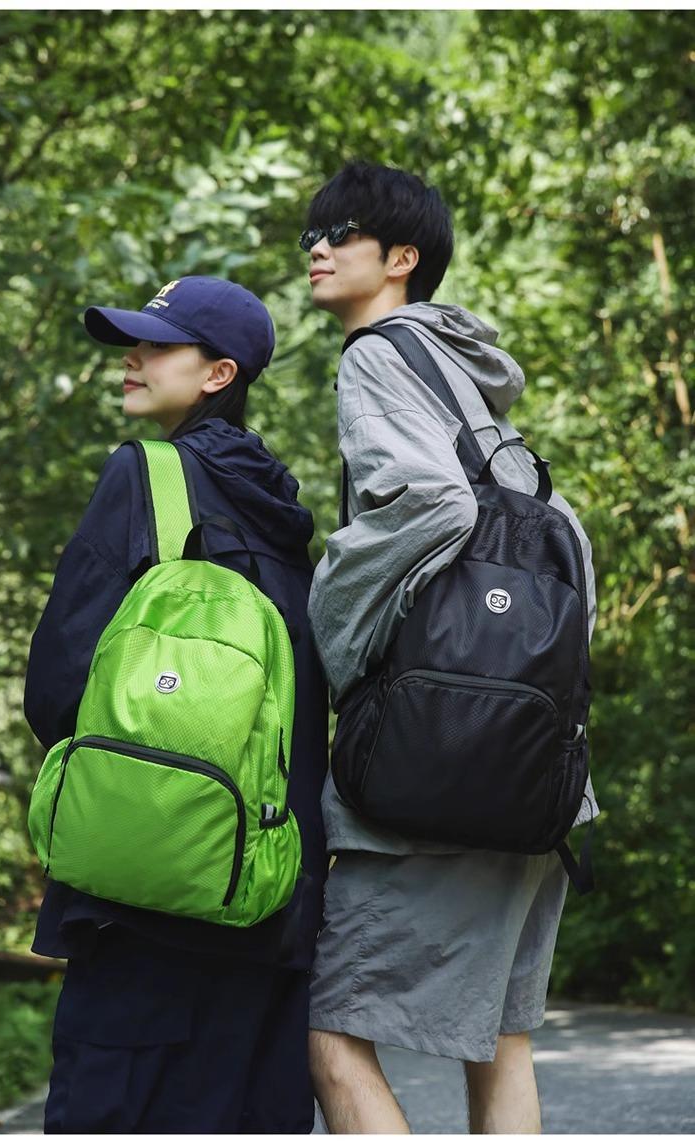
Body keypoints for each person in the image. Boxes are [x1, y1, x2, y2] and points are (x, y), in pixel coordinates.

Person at [300, 161, 598, 1134]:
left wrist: (332, 634)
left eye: (341, 232)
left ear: (401, 258)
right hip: (527, 762)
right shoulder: (467, 383)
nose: (317, 249)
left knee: (333, 1035)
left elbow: (429, 504)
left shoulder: (377, 357)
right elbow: (559, 536)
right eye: (312, 234)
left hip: (439, 760)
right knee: (498, 1040)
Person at [24, 275, 328, 1133]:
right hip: (267, 891)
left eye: (158, 346)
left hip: (143, 899)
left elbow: (58, 683)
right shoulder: (284, 514)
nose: (133, 358)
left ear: (218, 374)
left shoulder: (145, 476)